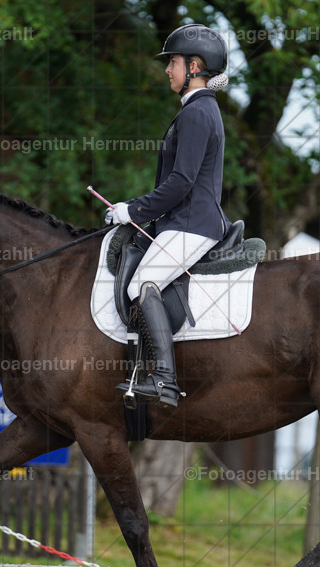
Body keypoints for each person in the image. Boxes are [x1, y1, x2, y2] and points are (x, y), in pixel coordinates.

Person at [106, 24, 232, 408]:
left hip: (193, 224)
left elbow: (180, 183)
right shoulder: (198, 109)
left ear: (194, 66)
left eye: (173, 62)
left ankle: (163, 379)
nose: (167, 70)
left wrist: (133, 211)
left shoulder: (198, 112)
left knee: (141, 284)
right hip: (186, 222)